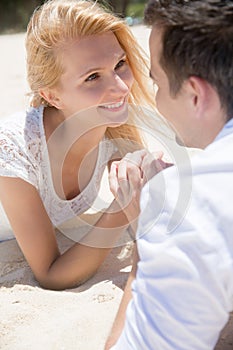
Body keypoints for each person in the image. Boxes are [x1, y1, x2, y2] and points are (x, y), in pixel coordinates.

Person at [0, 0, 158, 290]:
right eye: (93, 77)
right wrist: (122, 206)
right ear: (52, 96)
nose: (122, 88)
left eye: (120, 64)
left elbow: (150, 225)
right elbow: (50, 273)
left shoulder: (113, 128)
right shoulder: (14, 148)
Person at [106, 0, 233, 349]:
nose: (156, 100)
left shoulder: (195, 201)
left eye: (158, 83)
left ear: (195, 94)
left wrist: (147, 234)